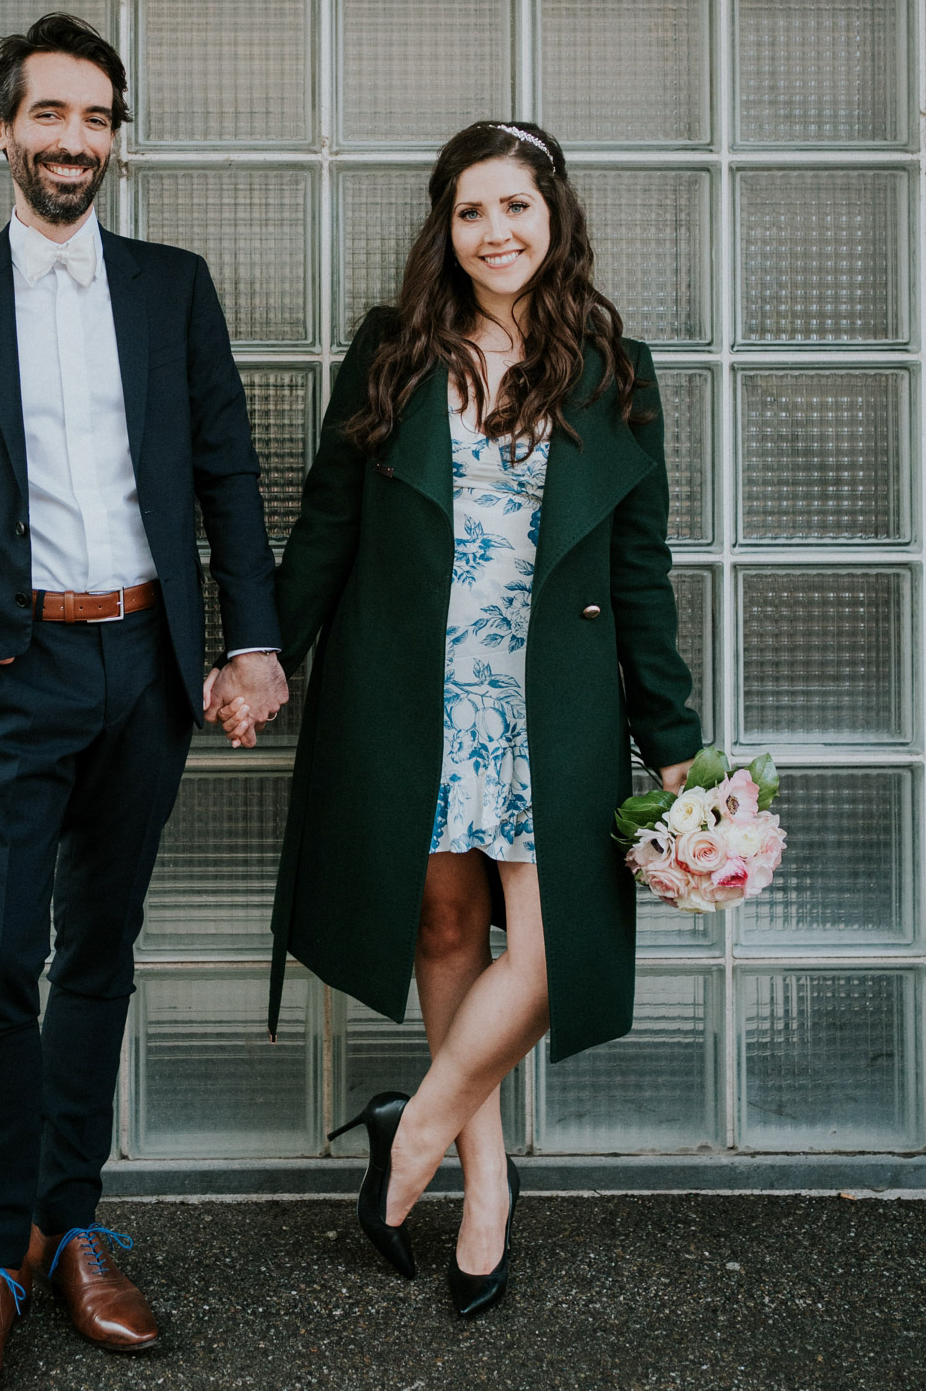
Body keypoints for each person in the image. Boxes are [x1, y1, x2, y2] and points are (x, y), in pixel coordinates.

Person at [0, 12, 287, 1390]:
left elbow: (226, 479)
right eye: (50, 114)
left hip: (145, 666)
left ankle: (71, 1217)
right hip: (6, 666)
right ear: (2, 128)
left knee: (97, 947)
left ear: (113, 136)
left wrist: (253, 644)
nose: (74, 139)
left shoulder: (172, 286)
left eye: (97, 117)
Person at [259, 119, 700, 1315]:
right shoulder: (395, 351)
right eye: (470, 211)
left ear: (554, 217)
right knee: (449, 929)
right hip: (411, 688)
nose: (495, 231)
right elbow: (331, 525)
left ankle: (414, 1128)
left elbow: (642, 574)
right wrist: (266, 656)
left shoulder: (615, 370)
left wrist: (675, 750)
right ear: (444, 229)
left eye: (516, 207)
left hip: (544, 697)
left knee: (555, 950)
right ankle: (486, 1192)